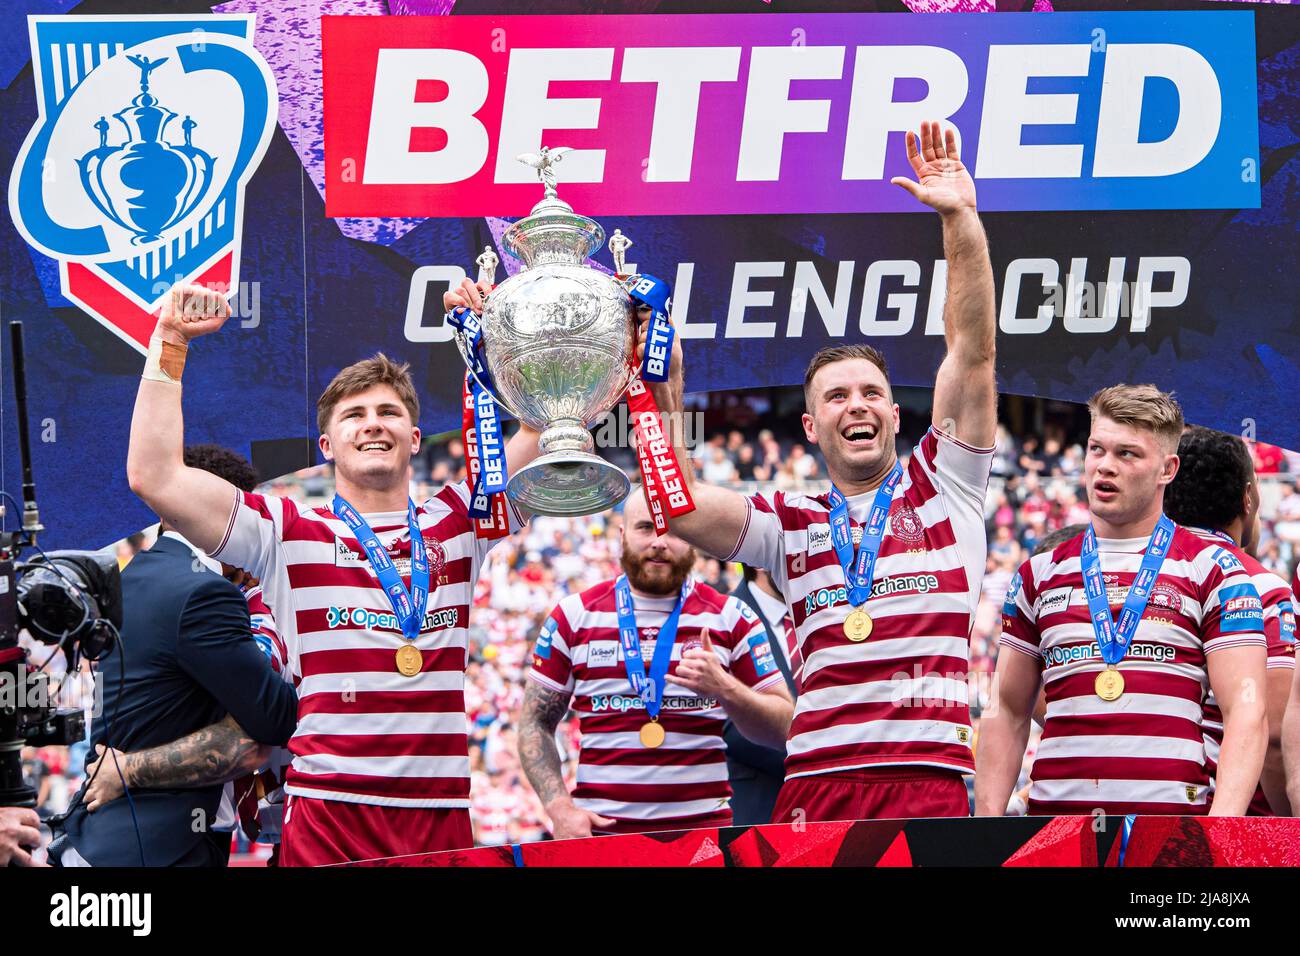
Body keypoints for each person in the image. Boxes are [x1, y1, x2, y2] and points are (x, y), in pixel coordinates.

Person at [640, 120, 997, 823]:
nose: (855, 406)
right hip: (816, 785)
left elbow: (973, 350)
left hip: (925, 779)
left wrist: (961, 222)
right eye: (836, 397)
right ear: (811, 426)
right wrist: (662, 393)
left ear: (896, 415)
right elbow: (678, 510)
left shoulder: (948, 482)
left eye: (871, 394)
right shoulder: (788, 521)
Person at [125, 278, 541, 865]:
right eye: (355, 415)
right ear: (327, 444)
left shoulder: (458, 520)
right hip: (328, 812)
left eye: (389, 412)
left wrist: (498, 338)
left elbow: (545, 433)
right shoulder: (287, 529)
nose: (373, 423)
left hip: (442, 813)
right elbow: (153, 475)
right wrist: (170, 340)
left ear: (415, 437)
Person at [976, 387, 1269, 816]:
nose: (1105, 467)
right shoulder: (1038, 573)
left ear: (1168, 469)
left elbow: (1247, 710)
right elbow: (1007, 708)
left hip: (1171, 830)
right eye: (1097, 449)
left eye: (1128, 454)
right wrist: (986, 824)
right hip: (1054, 833)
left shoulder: (1214, 569)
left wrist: (1219, 831)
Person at [55, 445, 298, 866]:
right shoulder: (206, 591)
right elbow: (270, 722)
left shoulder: (133, 578)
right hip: (158, 847)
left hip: (111, 835)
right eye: (244, 512)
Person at [517, 492, 793, 837]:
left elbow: (785, 727)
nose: (659, 542)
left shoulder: (732, 616)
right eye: (646, 528)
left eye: (674, 530)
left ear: (694, 536)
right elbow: (535, 723)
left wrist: (726, 688)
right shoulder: (573, 616)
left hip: (704, 841)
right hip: (603, 839)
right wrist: (558, 808)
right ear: (622, 536)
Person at [1164, 426, 1295, 814]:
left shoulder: (1128, 575)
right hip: (1234, 821)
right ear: (1248, 499)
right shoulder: (1261, 587)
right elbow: (1273, 737)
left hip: (1139, 810)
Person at [725, 564, 800, 825]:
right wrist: (817, 759)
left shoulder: (827, 613)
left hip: (838, 807)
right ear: (758, 559)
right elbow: (731, 726)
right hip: (762, 814)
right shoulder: (723, 618)